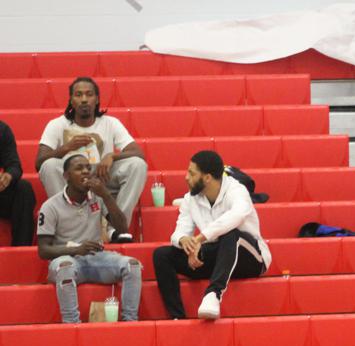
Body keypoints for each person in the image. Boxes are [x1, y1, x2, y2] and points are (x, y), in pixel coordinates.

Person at [152, 150, 271, 320]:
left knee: (230, 234)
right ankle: (177, 317)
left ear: (207, 177)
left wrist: (200, 238)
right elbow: (180, 231)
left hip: (250, 258)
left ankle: (213, 294)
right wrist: (186, 241)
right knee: (162, 255)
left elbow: (236, 216)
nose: (186, 177)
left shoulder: (237, 190)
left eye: (192, 173)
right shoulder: (190, 199)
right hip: (218, 258)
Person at [36, 154, 141, 324]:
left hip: (96, 258)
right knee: (65, 267)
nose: (86, 171)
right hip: (66, 259)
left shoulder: (98, 197)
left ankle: (130, 322)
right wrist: (76, 249)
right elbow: (43, 250)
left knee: (132, 265)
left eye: (88, 168)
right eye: (79, 168)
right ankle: (71, 324)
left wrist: (106, 195)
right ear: (66, 176)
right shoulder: (50, 206)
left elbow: (122, 229)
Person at [36, 77, 147, 228]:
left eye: (89, 94)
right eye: (78, 95)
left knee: (137, 164)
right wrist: (66, 148)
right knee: (49, 165)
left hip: (102, 175)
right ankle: (70, 224)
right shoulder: (57, 124)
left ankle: (116, 228)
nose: (84, 99)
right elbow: (39, 163)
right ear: (71, 100)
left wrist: (112, 155)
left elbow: (138, 152)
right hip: (72, 180)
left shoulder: (111, 123)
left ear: (97, 99)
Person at [0, 118, 37, 246]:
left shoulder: (2, 129)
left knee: (23, 188)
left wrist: (8, 176)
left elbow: (14, 165)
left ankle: (21, 249)